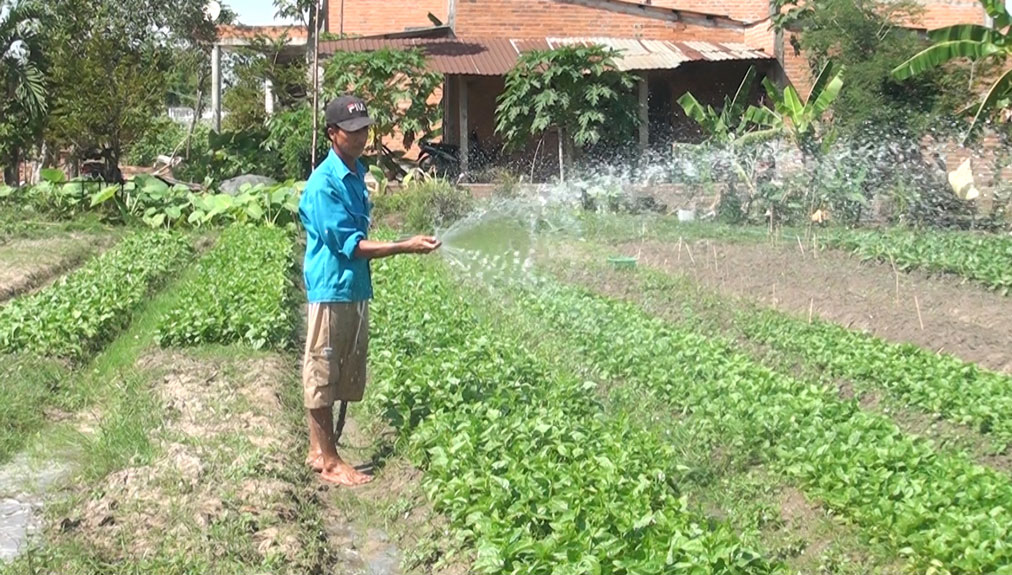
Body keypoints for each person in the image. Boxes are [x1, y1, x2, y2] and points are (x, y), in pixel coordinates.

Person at [299, 95, 441, 486]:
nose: (361, 137)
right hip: (332, 289)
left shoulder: (356, 172)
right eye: (353, 132)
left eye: (364, 130)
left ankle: (317, 450)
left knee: (340, 370)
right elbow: (352, 246)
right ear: (332, 134)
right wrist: (404, 246)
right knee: (323, 371)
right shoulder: (324, 184)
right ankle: (330, 462)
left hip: (354, 287)